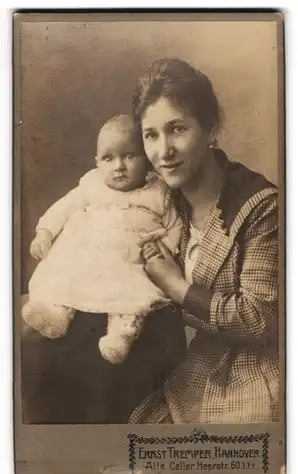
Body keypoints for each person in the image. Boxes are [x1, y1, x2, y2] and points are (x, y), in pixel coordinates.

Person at [128, 58, 279, 424]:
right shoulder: (161, 202)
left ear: (211, 129)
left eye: (177, 129)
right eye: (151, 134)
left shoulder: (262, 204)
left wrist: (178, 289)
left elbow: (261, 320)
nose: (163, 151)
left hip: (257, 374)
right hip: (191, 368)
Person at [22, 114, 182, 364]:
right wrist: (45, 232)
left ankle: (122, 335)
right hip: (86, 253)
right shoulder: (92, 184)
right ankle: (56, 314)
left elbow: (175, 225)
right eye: (109, 158)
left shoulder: (159, 192)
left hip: (131, 260)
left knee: (132, 296)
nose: (119, 165)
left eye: (129, 156)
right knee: (63, 276)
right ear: (97, 162)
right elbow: (63, 207)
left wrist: (166, 253)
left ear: (148, 160)